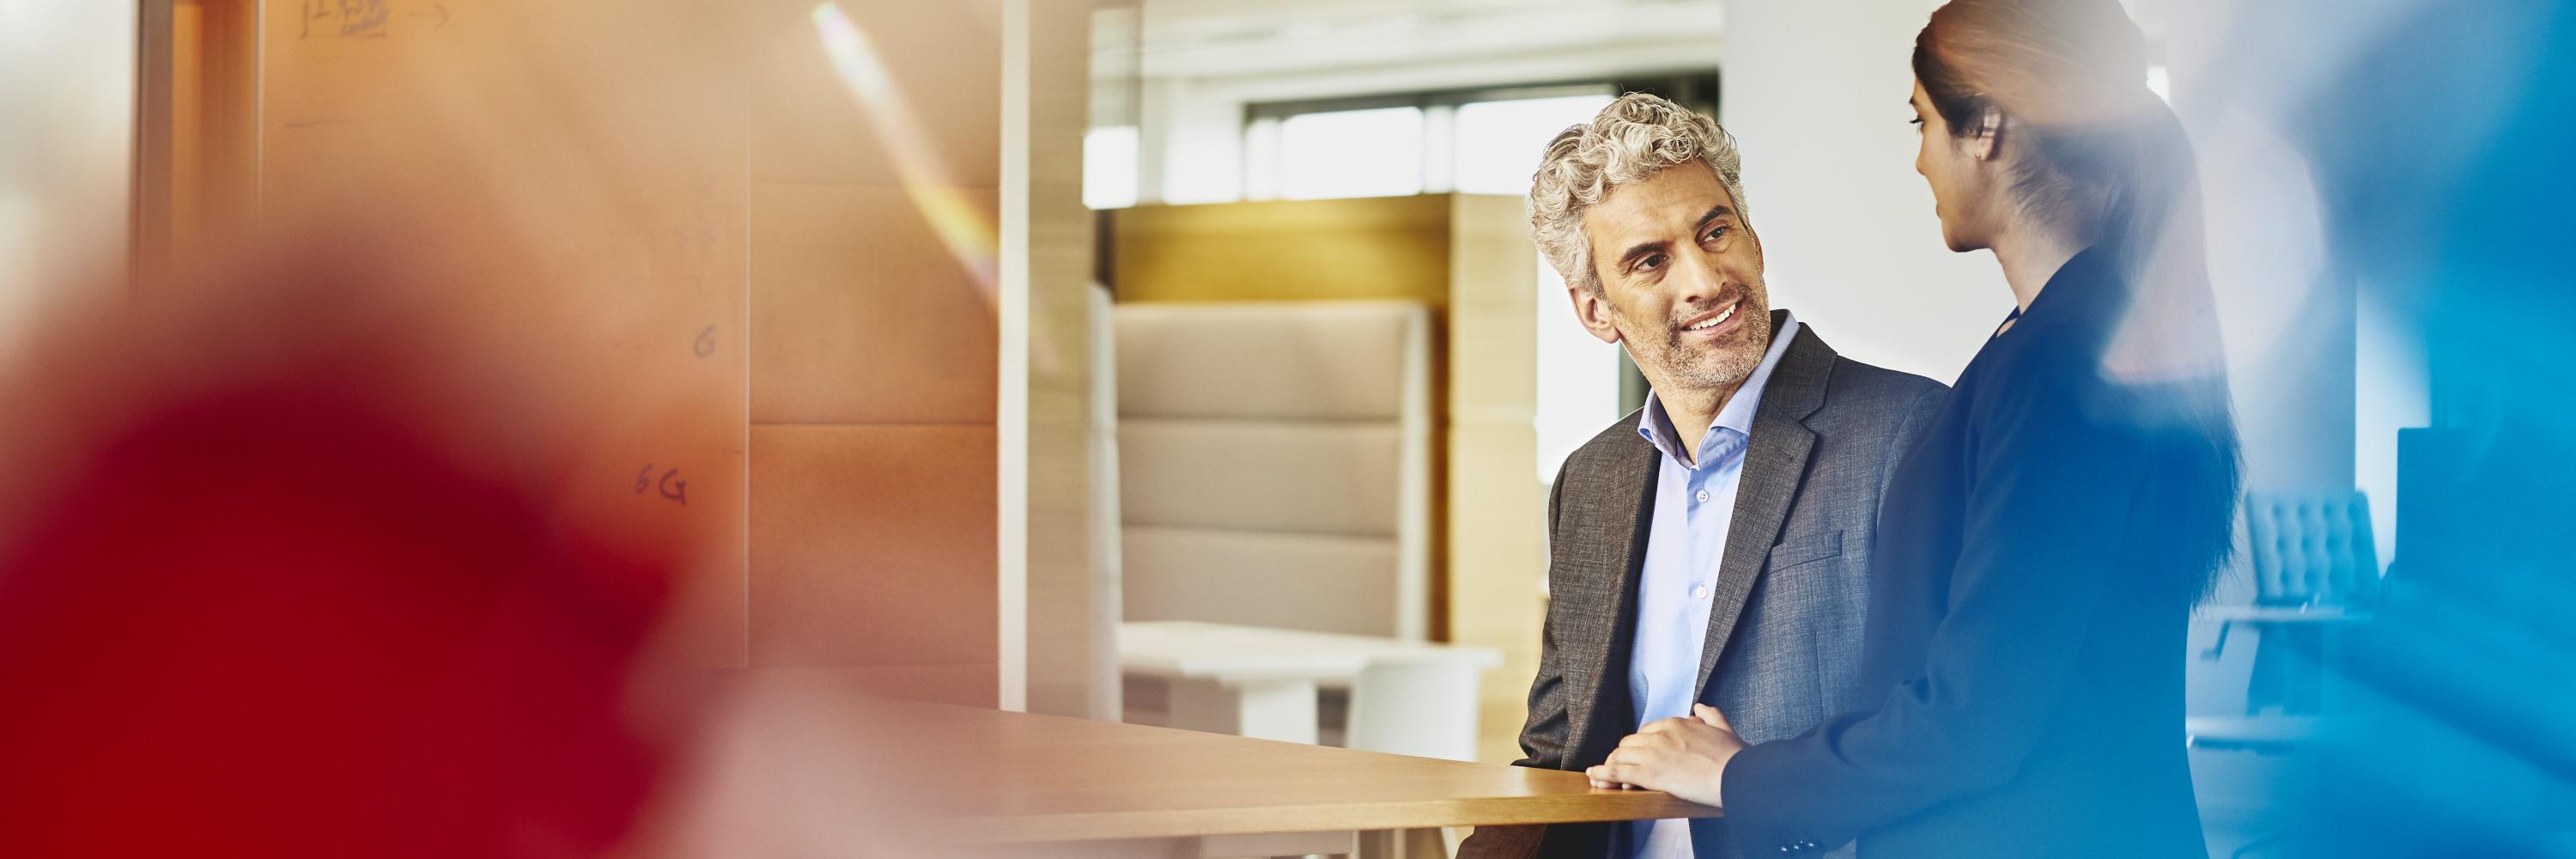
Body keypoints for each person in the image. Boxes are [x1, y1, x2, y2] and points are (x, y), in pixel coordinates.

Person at [1581, 2, 2244, 857]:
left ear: (1989, 130)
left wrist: (1737, 773)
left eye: (1922, 122)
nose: (1920, 157)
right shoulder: (2050, 343)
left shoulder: (2067, 363)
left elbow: (1977, 713)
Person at [1456, 94, 1947, 859]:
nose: (1704, 279)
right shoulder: (1590, 481)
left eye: (1715, 233)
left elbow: (1951, 724)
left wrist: (1750, 775)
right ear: (1594, 311)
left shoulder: (1910, 430)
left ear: (1752, 238)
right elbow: (1554, 753)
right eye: (1650, 260)